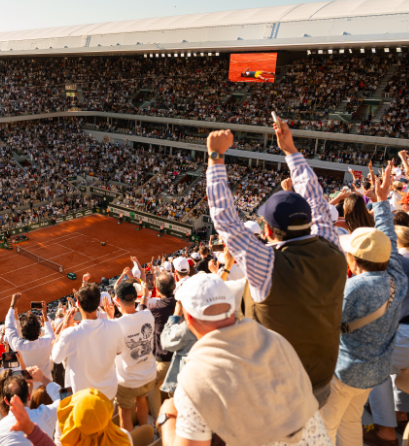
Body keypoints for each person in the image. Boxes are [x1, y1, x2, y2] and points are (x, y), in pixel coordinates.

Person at [206, 125, 347, 407]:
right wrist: (291, 152)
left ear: (268, 232)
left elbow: (225, 221)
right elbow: (317, 201)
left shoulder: (266, 263)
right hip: (322, 377)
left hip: (275, 386)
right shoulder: (333, 245)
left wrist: (215, 156)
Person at [157, 273, 332, 446]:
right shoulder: (275, 340)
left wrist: (166, 419)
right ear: (232, 308)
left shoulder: (195, 378)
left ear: (188, 317)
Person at [320, 162, 408, 446]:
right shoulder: (397, 276)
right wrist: (382, 202)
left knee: (325, 426)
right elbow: (390, 243)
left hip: (347, 371)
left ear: (353, 261)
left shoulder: (354, 287)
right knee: (349, 424)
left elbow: (326, 326)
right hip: (376, 369)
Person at [51, 283, 123, 401]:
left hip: (83, 399)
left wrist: (64, 327)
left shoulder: (70, 334)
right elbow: (119, 351)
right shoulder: (114, 325)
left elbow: (56, 358)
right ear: (98, 303)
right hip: (108, 392)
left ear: (78, 303)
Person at [112, 281, 156, 431]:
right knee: (141, 399)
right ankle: (144, 430)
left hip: (128, 381)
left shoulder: (116, 324)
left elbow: (115, 351)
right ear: (135, 298)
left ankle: (130, 440)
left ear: (117, 301)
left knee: (124, 412)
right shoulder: (148, 314)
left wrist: (111, 318)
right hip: (149, 375)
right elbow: (141, 309)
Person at [0, 367, 61, 445]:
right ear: (29, 396)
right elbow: (65, 400)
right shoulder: (45, 415)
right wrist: (43, 378)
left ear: (6, 401)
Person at [138, 272, 176, 418]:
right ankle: (175, 412)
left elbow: (139, 315)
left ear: (158, 290)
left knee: (152, 383)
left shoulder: (154, 308)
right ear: (173, 287)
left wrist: (145, 296)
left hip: (162, 361)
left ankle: (157, 419)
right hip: (180, 359)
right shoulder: (180, 304)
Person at [6, 294, 54, 383]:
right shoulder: (48, 342)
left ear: (23, 333)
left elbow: (9, 326)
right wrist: (44, 314)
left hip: (28, 391)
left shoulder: (18, 345)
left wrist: (13, 304)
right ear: (39, 332)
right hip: (47, 387)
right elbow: (50, 331)